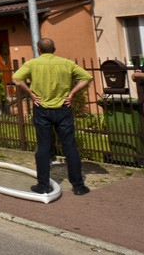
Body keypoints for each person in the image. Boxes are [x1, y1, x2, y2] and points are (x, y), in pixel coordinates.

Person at [11, 38, 93, 195]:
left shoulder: (32, 64)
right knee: (69, 146)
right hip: (63, 107)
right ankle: (78, 186)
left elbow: (16, 78)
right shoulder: (66, 63)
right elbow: (86, 77)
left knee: (43, 147)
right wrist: (72, 94)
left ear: (38, 49)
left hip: (41, 108)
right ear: (54, 49)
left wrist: (31, 94)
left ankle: (43, 186)